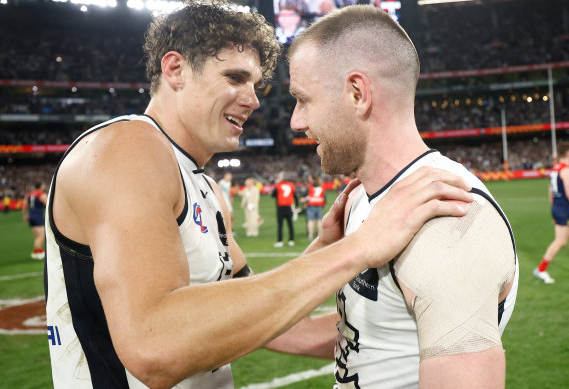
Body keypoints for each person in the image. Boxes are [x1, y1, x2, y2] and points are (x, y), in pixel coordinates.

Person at [44, 2, 473, 388]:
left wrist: (412, 323)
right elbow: (155, 347)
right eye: (234, 77)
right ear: (174, 69)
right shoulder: (125, 149)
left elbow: (271, 325)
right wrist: (358, 249)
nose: (252, 100)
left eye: (256, 85)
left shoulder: (206, 189)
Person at [270, 6, 519, 388]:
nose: (296, 121)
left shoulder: (448, 221)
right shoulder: (359, 200)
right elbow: (369, 332)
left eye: (303, 99)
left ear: (357, 93)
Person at [534, 141, 569, 284]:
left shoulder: (555, 169)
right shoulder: (565, 170)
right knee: (560, 241)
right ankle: (541, 270)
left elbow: (550, 192)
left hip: (558, 207)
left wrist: (554, 209)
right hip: (564, 208)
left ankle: (541, 269)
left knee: (562, 240)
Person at [272, 172, 298, 247]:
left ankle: (280, 241)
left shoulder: (278, 185)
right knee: (290, 224)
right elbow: (295, 196)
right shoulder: (291, 185)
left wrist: (276, 185)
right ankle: (291, 240)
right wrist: (296, 205)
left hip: (280, 207)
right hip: (289, 207)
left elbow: (273, 195)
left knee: (280, 225)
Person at [23, 182, 47, 260]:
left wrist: (25, 215)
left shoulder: (29, 194)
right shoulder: (41, 194)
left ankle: (35, 252)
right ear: (40, 187)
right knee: (41, 236)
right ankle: (40, 252)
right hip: (38, 216)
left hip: (31, 215)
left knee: (37, 236)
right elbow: (48, 204)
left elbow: (25, 206)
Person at [305, 175, 326, 240]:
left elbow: (307, 196)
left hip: (311, 205)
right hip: (319, 205)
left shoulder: (309, 186)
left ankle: (310, 235)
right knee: (319, 220)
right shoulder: (322, 187)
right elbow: (324, 198)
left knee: (310, 221)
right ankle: (320, 235)